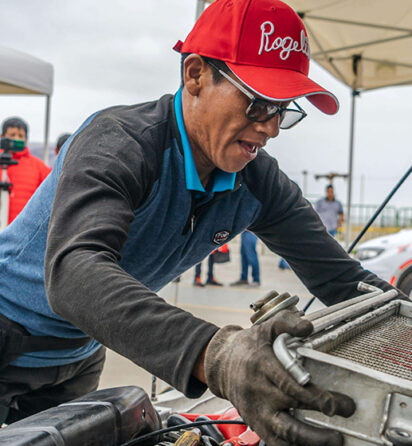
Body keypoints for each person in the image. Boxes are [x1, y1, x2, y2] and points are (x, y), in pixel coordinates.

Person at [0, 1, 403, 444]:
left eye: (284, 109)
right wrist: (220, 355)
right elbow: (74, 273)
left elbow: (344, 282)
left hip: (79, 354)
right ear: (195, 75)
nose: (271, 128)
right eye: (259, 103)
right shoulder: (119, 142)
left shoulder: (257, 181)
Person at [0, 117, 51, 224]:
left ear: (26, 139)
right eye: (12, 135)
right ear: (2, 137)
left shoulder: (39, 167)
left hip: (23, 229)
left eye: (20, 136)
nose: (16, 139)